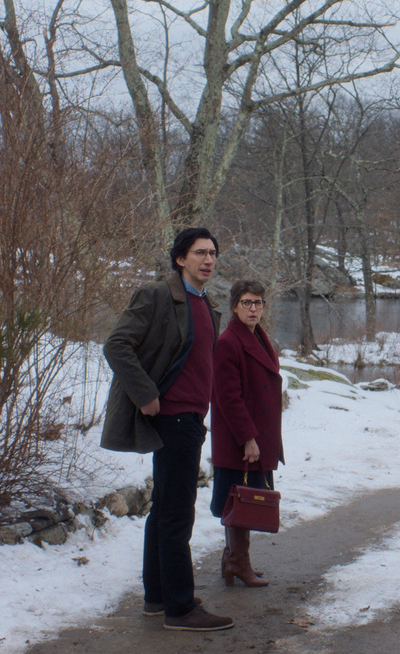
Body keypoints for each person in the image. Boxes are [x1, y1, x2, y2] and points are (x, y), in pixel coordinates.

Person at [102, 228, 234, 632]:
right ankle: (181, 608)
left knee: (163, 512)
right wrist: (145, 395)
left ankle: (157, 598)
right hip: (172, 419)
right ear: (180, 259)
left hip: (191, 419)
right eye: (199, 253)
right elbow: (117, 344)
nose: (208, 260)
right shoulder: (158, 296)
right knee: (177, 515)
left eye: (212, 253)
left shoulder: (207, 306)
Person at [210, 280, 284, 588]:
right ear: (234, 306)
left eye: (258, 303)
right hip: (241, 440)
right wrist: (248, 437)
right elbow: (228, 397)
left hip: (256, 435)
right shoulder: (229, 341)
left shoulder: (257, 336)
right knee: (239, 501)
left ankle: (233, 560)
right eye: (246, 303)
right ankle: (239, 563)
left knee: (243, 500)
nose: (253, 308)